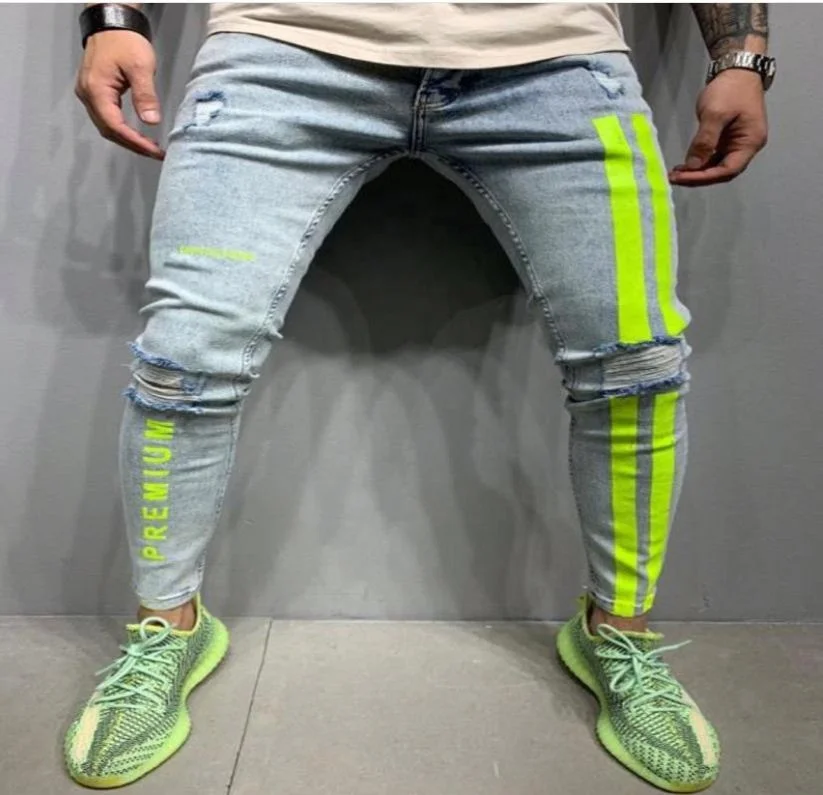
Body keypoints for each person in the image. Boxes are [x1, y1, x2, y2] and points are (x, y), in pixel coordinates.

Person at [65, 3, 772, 791]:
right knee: (183, 362)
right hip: (281, 51)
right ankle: (167, 629)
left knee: (636, 366)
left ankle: (620, 633)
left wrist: (740, 57)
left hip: (557, 59)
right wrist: (112, 16)